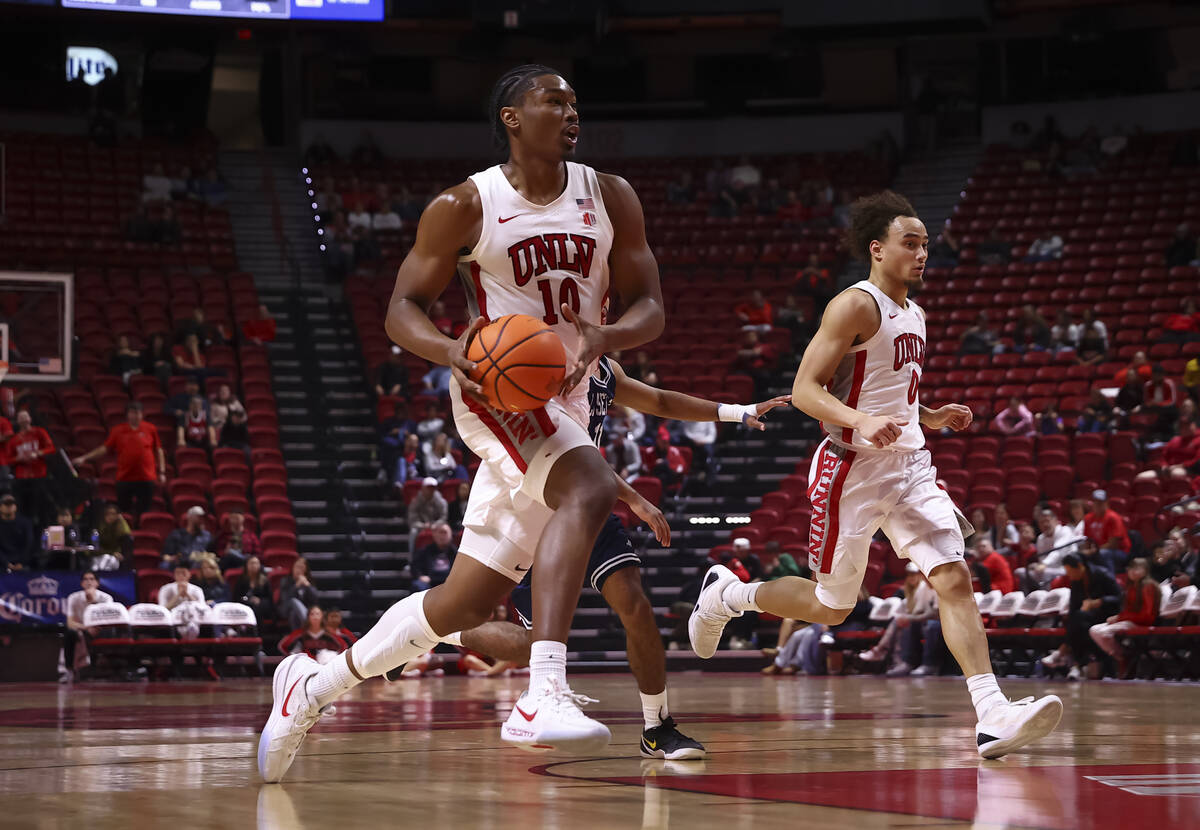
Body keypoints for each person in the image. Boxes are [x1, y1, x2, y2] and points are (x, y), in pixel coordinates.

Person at [258, 65, 668, 782]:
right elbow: (400, 310)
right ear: (512, 117)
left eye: (576, 102)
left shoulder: (610, 196)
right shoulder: (466, 204)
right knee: (588, 489)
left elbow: (651, 308)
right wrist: (455, 351)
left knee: (464, 603)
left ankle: (311, 686)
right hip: (498, 390)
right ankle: (541, 694)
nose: (571, 112)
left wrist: (606, 339)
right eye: (554, 101)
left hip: (568, 402)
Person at [686, 190, 1062, 759]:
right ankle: (730, 595)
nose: (921, 254)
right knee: (832, 606)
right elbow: (807, 392)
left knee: (954, 578)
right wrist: (861, 419)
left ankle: (992, 714)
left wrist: (928, 414)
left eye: (926, 245)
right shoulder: (853, 305)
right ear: (876, 249)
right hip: (851, 469)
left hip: (911, 466)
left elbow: (891, 387)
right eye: (910, 244)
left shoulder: (916, 313)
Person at [454, 354, 786, 758]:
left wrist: (738, 411)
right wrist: (636, 499)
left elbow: (661, 401)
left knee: (635, 604)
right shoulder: (542, 360)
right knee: (530, 643)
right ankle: (445, 630)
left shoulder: (606, 369)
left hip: (589, 504)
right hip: (535, 508)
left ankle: (657, 728)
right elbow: (552, 452)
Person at [72, 402, 166, 519]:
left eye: (137, 413)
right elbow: (104, 448)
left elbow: (159, 450)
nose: (135, 416)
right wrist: (84, 458)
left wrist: (162, 471)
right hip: (125, 477)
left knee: (144, 512)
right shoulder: (118, 430)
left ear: (142, 414)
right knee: (123, 512)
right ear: (127, 415)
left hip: (146, 477)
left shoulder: (150, 429)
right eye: (132, 413)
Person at [1041, 553, 1121, 680]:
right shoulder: (1075, 581)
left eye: (1070, 571)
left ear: (1080, 566)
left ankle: (1065, 653)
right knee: (1077, 622)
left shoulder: (1102, 574)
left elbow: (1119, 598)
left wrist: (1099, 601)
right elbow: (1073, 606)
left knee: (1079, 621)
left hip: (1107, 614)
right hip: (1086, 618)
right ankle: (1077, 664)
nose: (1069, 575)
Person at [1088, 557, 1159, 678]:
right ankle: (1121, 655)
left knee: (1104, 633)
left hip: (1142, 623)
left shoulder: (1149, 586)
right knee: (1094, 630)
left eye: (1137, 568)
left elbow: (1146, 615)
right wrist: (1118, 617)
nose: (1132, 571)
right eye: (1131, 568)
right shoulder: (1131, 587)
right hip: (1129, 621)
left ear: (1146, 570)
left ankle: (1124, 656)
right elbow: (1128, 612)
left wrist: (1120, 618)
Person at [5, 410, 56, 528]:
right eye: (20, 417)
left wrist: (38, 453)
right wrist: (19, 458)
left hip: (39, 476)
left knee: (41, 506)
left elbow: (51, 448)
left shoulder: (39, 432)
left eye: (25, 416)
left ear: (30, 418)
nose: (23, 419)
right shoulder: (14, 440)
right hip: (22, 478)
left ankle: (42, 530)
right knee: (23, 507)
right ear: (17, 421)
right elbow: (8, 459)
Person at [64, 571, 113, 680]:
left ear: (97, 583)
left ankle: (106, 669)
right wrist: (86, 628)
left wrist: (93, 601)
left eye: (92, 579)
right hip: (83, 629)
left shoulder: (106, 598)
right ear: (81, 583)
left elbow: (108, 619)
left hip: (102, 630)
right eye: (85, 579)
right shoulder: (73, 597)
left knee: (112, 631)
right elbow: (70, 622)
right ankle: (70, 670)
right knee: (70, 633)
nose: (89, 582)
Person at [1082, 490, 1129, 574]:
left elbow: (1113, 544)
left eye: (1100, 502)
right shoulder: (1088, 518)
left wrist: (1093, 551)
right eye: (1095, 502)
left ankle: (1110, 581)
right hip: (1098, 550)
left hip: (1120, 552)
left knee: (1103, 553)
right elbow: (1087, 541)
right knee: (1078, 556)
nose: (1098, 505)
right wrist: (1085, 552)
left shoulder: (1112, 517)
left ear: (1106, 503)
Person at [279, 606, 347, 662]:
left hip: (324, 666)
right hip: (305, 666)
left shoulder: (329, 633)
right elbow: (283, 646)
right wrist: (291, 657)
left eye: (317, 614)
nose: (315, 616)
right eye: (312, 614)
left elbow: (343, 646)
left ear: (322, 616)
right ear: (308, 617)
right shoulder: (300, 633)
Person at [407, 477, 448, 554]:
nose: (430, 490)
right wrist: (423, 525)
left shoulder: (441, 501)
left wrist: (435, 524)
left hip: (437, 525)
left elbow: (443, 517)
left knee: (446, 530)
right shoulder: (415, 501)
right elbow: (412, 520)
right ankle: (411, 559)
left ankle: (446, 557)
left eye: (433, 488)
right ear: (423, 488)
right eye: (428, 488)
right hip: (421, 527)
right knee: (413, 532)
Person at [277, 557, 318, 631]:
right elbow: (286, 598)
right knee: (293, 601)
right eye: (297, 567)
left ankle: (298, 638)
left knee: (294, 614)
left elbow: (315, 599)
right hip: (286, 608)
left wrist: (308, 585)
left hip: (300, 611)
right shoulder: (285, 580)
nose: (299, 570)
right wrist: (296, 586)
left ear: (305, 570)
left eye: (301, 567)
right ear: (292, 568)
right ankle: (307, 623)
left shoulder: (308, 581)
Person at [233, 555, 275, 622]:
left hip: (260, 606)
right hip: (245, 604)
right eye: (252, 563)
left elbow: (270, 599)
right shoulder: (241, 580)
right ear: (246, 565)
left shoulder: (265, 580)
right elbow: (236, 597)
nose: (254, 565)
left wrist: (260, 600)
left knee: (258, 608)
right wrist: (247, 599)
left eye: (256, 563)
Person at [0, 494, 34, 572]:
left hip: (23, 563)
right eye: (6, 504)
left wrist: (21, 562)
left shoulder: (25, 523)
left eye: (11, 504)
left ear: (15, 507)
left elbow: (29, 545)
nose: (9, 507)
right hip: (2, 564)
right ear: (0, 507)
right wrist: (6, 563)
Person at [95, 502, 133, 568]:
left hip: (115, 559)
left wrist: (122, 521)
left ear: (118, 516)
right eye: (108, 514)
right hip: (100, 556)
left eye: (113, 514)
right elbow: (95, 549)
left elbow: (125, 554)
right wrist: (111, 553)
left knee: (110, 560)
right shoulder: (98, 529)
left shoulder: (122, 532)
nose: (110, 516)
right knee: (105, 559)